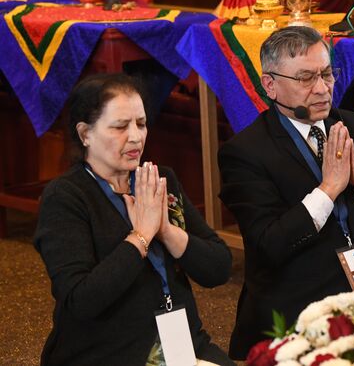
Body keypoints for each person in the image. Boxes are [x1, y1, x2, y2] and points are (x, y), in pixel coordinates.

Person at [218, 26, 354, 360]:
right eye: (306, 78)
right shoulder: (245, 151)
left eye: (326, 74)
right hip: (298, 301)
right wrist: (328, 189)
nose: (322, 89)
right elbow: (269, 244)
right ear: (271, 86)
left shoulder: (351, 125)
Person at [33, 73, 234, 366]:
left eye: (141, 124)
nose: (136, 137)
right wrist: (140, 235)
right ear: (85, 134)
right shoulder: (66, 197)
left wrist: (165, 230)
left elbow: (219, 269)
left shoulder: (158, 179)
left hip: (179, 341)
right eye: (119, 127)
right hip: (107, 352)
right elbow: (81, 300)